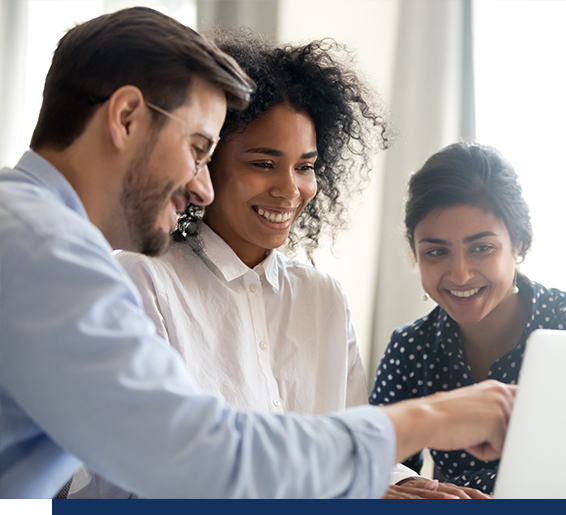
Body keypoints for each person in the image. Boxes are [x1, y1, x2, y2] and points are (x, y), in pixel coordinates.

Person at [0, 7, 516, 498]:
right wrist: (433, 419)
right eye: (199, 148)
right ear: (128, 117)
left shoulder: (29, 229)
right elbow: (196, 455)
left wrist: (381, 479)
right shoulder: (48, 252)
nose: (201, 188)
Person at [370, 141, 566, 495]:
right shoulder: (410, 347)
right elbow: (378, 461)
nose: (461, 275)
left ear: (519, 244)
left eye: (482, 248)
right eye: (436, 252)